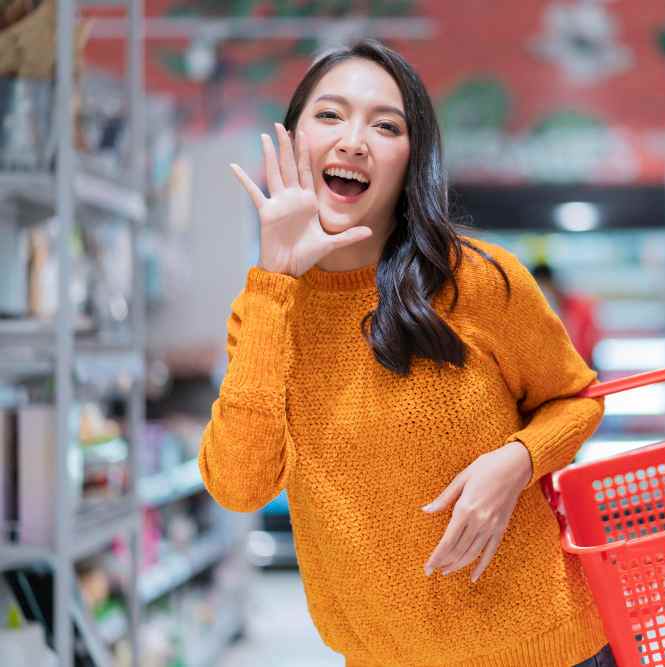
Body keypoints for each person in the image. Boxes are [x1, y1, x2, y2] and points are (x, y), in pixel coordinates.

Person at [198, 39, 617, 667]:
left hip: (549, 649)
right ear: (293, 140)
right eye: (331, 115)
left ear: (410, 159)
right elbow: (239, 486)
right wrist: (276, 279)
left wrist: (516, 461)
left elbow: (576, 399)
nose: (353, 141)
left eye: (385, 125)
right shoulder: (264, 313)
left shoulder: (476, 279)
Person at [531, 263, 602, 367]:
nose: (544, 293)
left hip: (581, 365)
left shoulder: (580, 307)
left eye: (546, 286)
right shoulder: (531, 311)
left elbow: (590, 340)